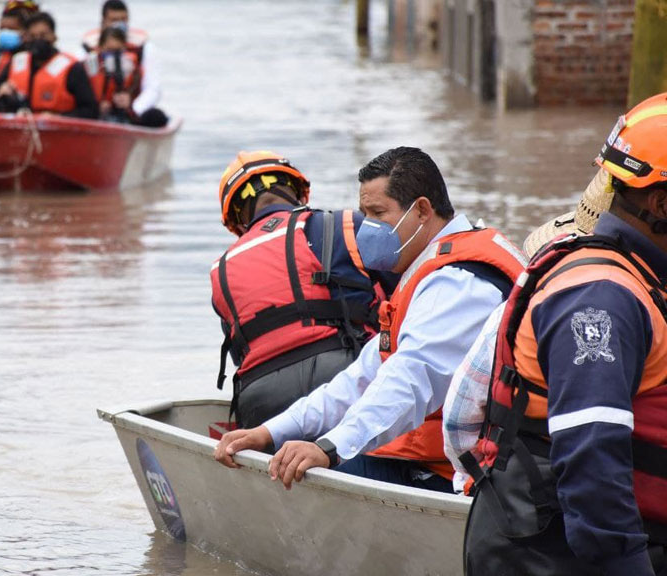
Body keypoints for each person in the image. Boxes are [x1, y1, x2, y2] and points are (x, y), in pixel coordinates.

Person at [213, 147, 526, 493]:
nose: (369, 228)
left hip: (462, 472)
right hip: (434, 458)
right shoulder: (429, 270)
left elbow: (410, 380)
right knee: (304, 455)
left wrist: (327, 449)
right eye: (365, 214)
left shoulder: (458, 283)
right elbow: (358, 380)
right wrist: (270, 431)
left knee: (305, 480)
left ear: (421, 210)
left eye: (378, 213)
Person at [460, 93, 667, 576]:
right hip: (554, 556)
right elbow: (592, 463)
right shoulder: (601, 297)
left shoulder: (635, 278)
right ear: (660, 202)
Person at [441, 169, 613, 495]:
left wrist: (473, 476)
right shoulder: (647, 301)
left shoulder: (526, 306)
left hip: (535, 486)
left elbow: (459, 417)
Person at [210, 151, 397, 431]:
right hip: (344, 374)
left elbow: (241, 351)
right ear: (299, 194)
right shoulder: (345, 224)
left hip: (258, 399)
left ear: (236, 220)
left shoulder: (220, 270)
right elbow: (406, 295)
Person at [0, 12, 98, 118]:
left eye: (43, 35)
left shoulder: (73, 68)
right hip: (20, 123)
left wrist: (59, 118)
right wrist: (0, 94)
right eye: (32, 36)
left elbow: (91, 111)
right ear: (25, 38)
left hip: (59, 129)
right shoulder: (16, 62)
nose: (38, 40)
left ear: (54, 37)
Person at [80, 1, 164, 125]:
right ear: (103, 22)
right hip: (98, 109)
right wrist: (97, 104)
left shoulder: (142, 48)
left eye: (123, 19)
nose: (119, 24)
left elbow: (153, 87)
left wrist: (132, 107)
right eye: (114, 20)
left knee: (156, 117)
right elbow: (83, 83)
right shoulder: (89, 51)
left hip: (130, 109)